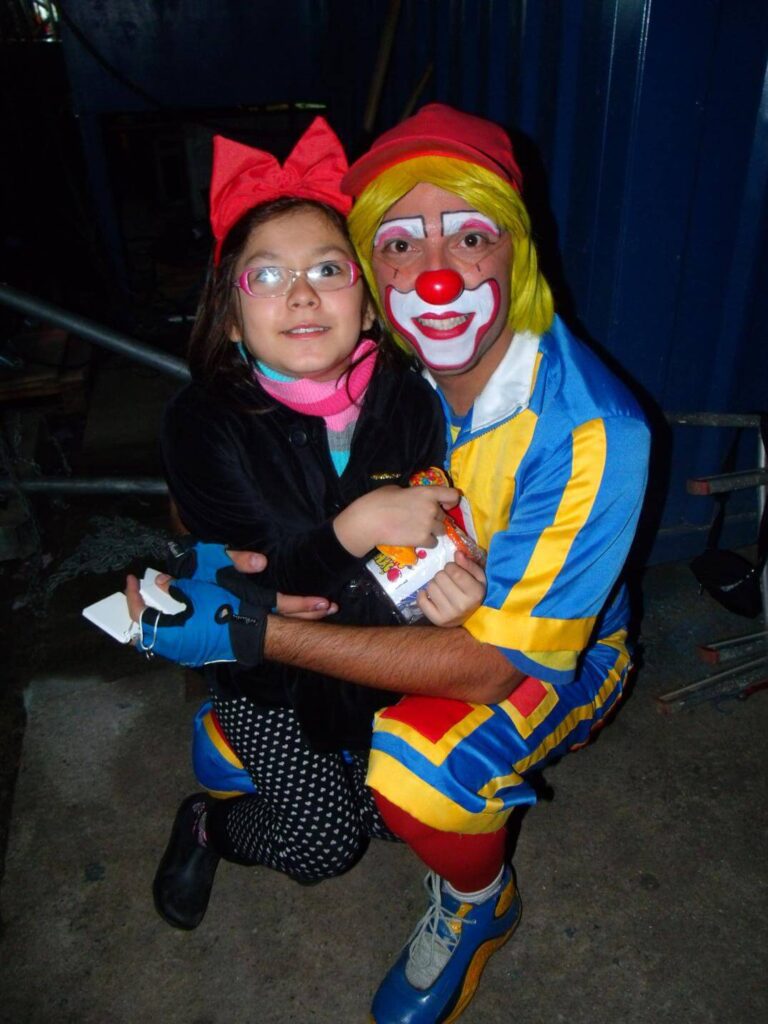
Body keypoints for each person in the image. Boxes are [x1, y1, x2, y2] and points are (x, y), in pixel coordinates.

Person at [133, 105, 650, 1024]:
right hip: (286, 672)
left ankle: (477, 905)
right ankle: (220, 801)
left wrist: (429, 578)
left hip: (518, 647)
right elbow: (220, 521)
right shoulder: (401, 366)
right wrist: (205, 567)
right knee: (327, 838)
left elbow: (489, 660)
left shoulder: (549, 423)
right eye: (402, 244)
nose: (436, 272)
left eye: (472, 237)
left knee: (411, 785)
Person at [130, 116, 488, 936]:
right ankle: (211, 821)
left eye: (328, 269)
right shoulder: (200, 422)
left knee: (401, 815)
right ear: (229, 316)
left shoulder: (411, 397)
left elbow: (432, 524)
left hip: (378, 658)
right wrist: (357, 527)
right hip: (269, 676)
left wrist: (453, 576)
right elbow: (262, 581)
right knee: (322, 845)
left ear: (367, 304)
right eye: (267, 276)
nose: (301, 294)